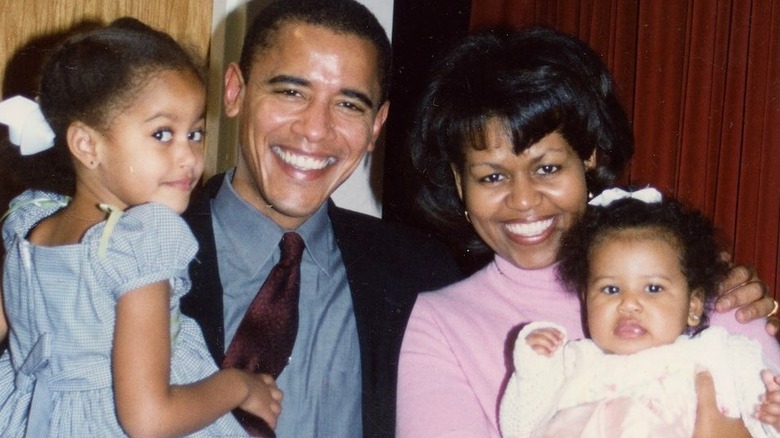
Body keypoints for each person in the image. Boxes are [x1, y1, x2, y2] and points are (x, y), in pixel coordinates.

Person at [397, 27, 779, 437]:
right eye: (492, 177)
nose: (523, 200)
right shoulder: (441, 325)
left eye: (547, 168)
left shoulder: (686, 277)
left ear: (589, 156)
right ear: (459, 184)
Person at [179, 0, 463, 437]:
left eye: (349, 105)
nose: (315, 129)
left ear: (376, 126)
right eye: (291, 92)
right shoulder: (135, 254)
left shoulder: (421, 278)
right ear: (235, 91)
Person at [0, 18, 282, 437]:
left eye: (196, 132)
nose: (188, 156)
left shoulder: (29, 224)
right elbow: (150, 419)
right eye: (163, 133)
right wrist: (239, 385)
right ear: (86, 145)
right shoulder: (139, 245)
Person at [499, 187, 780, 437]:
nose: (629, 304)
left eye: (653, 288)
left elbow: (762, 421)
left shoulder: (720, 355)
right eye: (611, 290)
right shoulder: (573, 363)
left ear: (693, 306)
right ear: (586, 301)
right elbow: (520, 429)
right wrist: (534, 369)